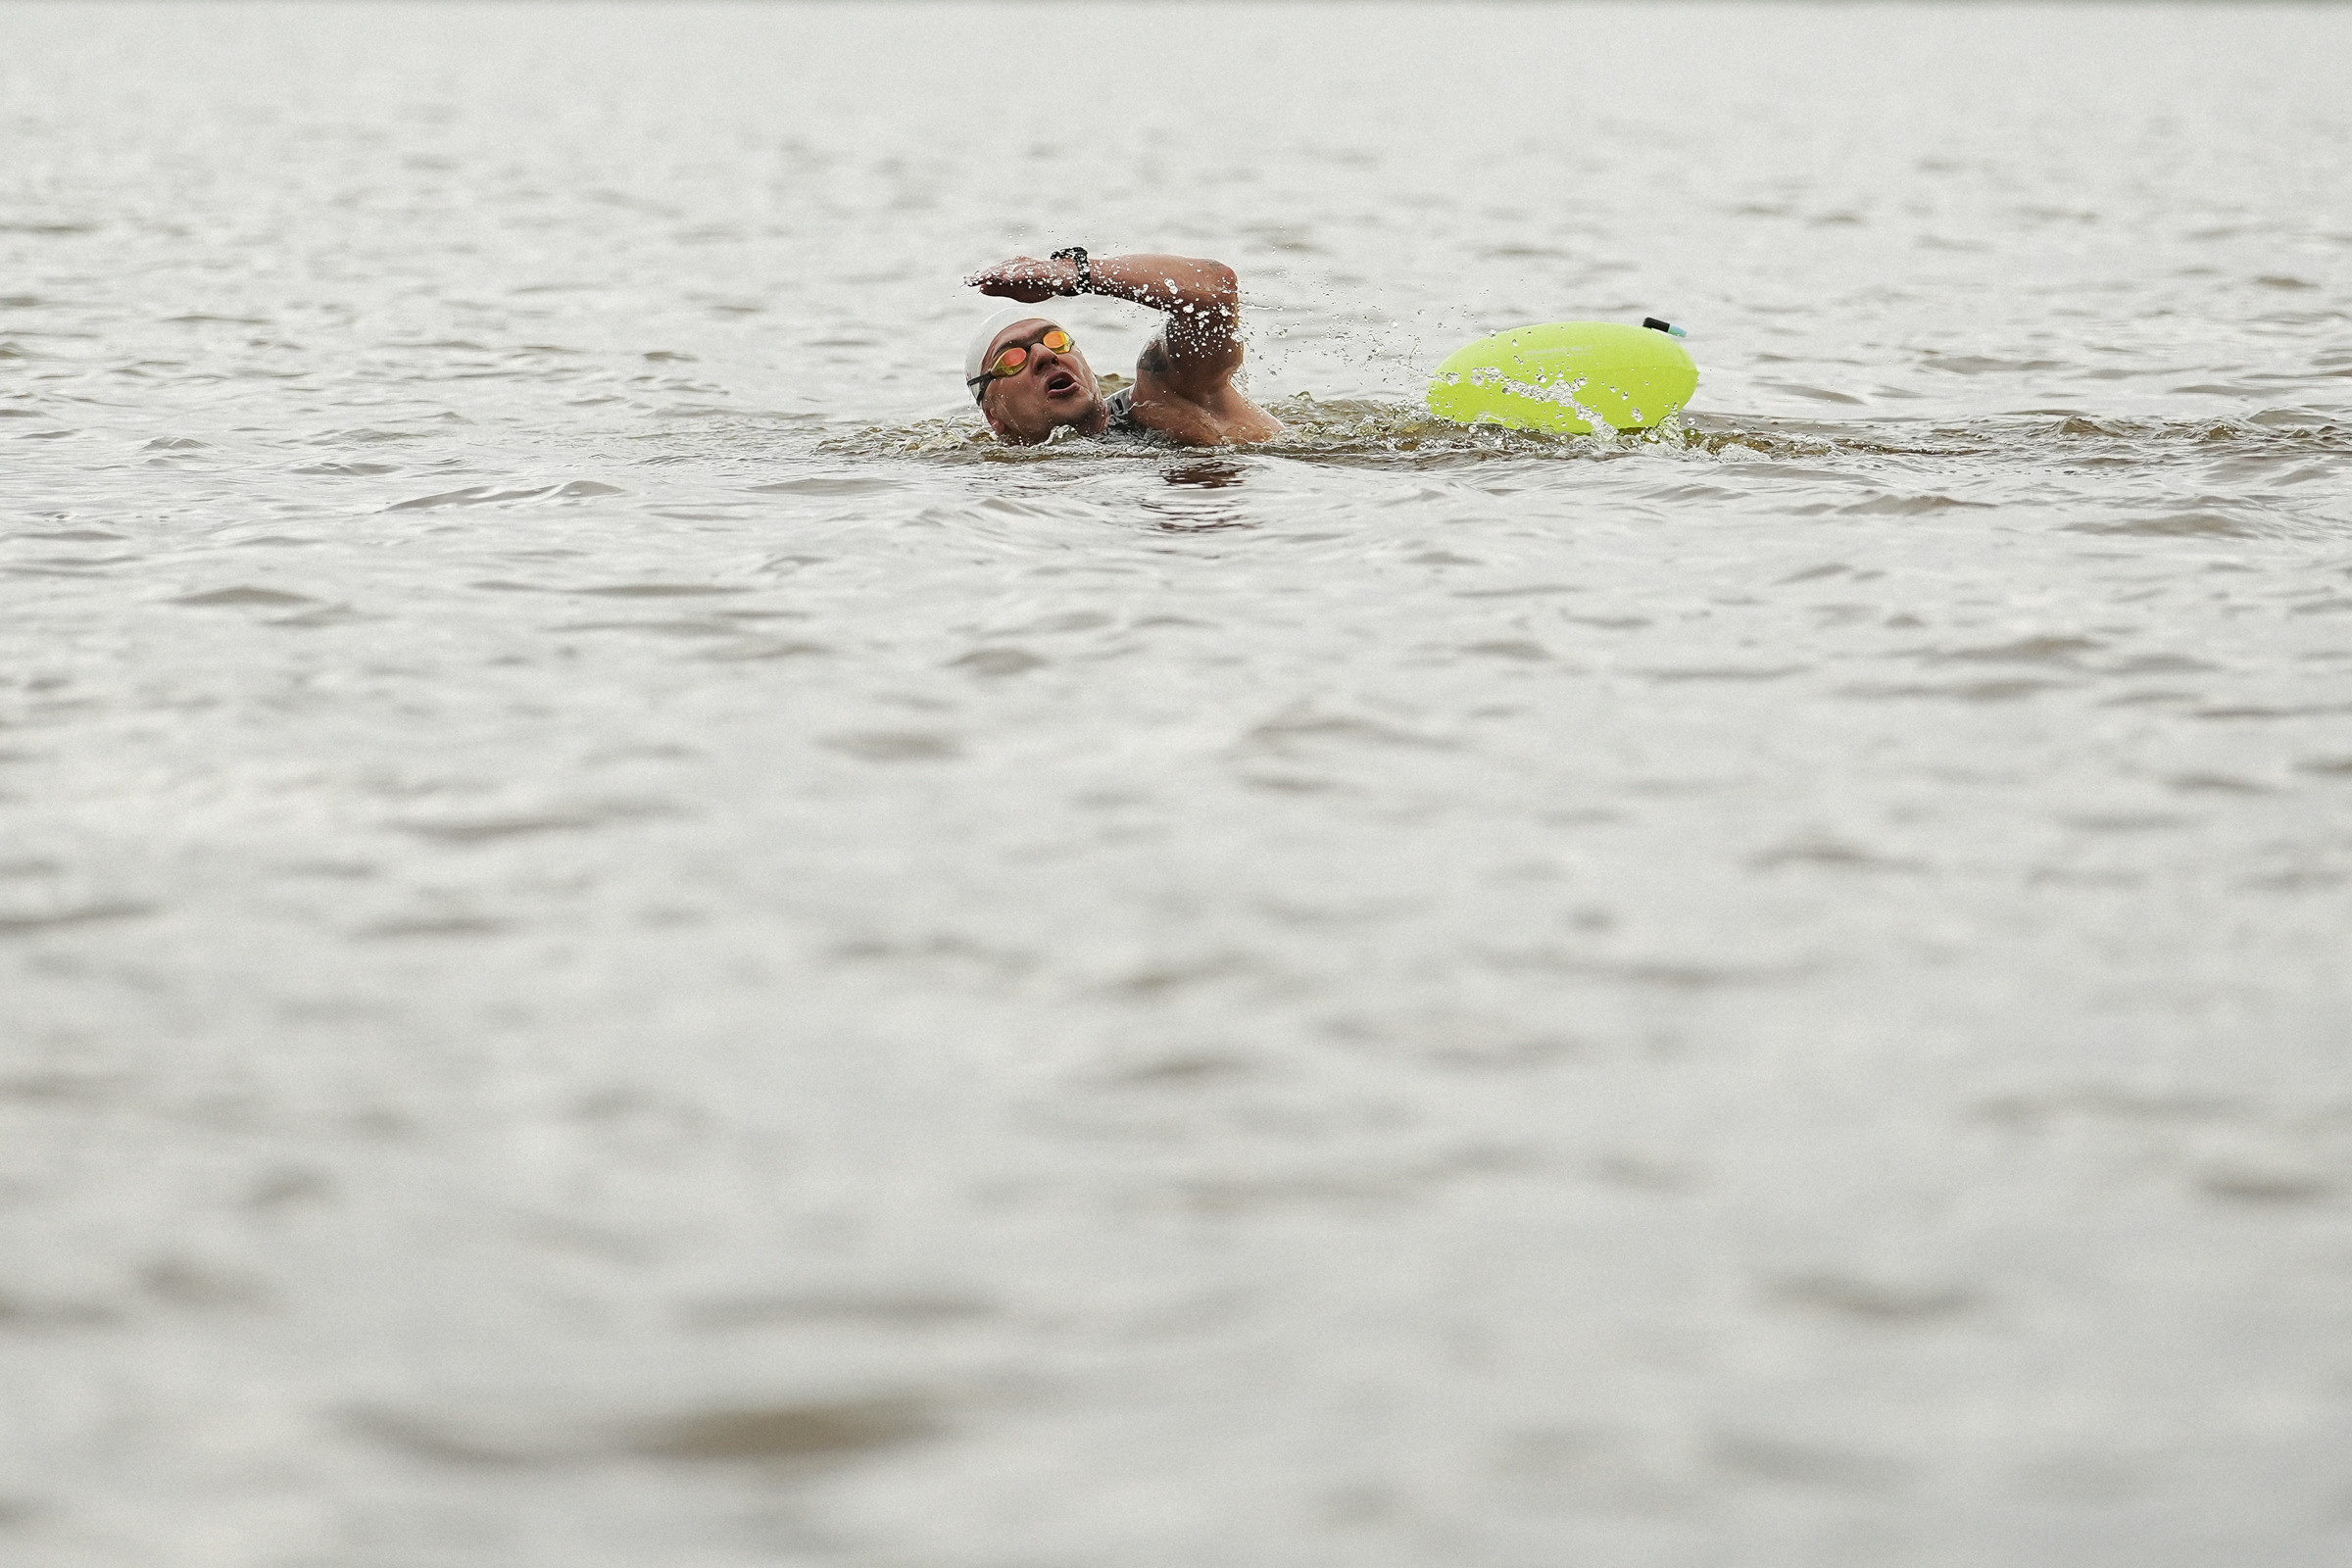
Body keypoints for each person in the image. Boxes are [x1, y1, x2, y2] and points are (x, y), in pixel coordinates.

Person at [963, 249, 1283, 447]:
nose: (1045, 355)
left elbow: (1215, 288)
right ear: (993, 416)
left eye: (1056, 341)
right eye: (1012, 358)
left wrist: (1077, 274)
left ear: (1087, 367)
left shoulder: (1162, 395)